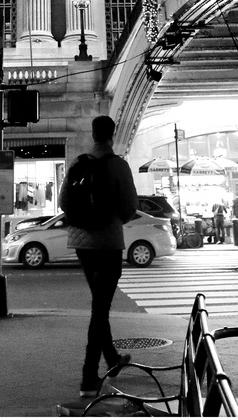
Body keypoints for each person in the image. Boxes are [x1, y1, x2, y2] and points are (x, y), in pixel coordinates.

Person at [64, 115, 139, 397]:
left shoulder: (77, 163)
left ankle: (112, 360)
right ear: (112, 135)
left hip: (81, 243)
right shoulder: (118, 165)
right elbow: (131, 205)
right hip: (108, 243)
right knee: (99, 309)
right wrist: (116, 219)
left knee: (99, 303)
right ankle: (88, 377)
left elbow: (64, 202)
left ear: (92, 134)